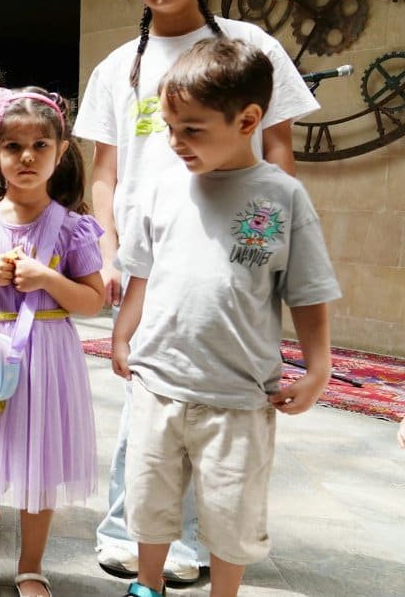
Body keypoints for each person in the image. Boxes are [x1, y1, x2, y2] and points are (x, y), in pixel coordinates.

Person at [72, 0, 320, 584]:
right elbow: (104, 169)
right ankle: (128, 530)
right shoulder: (116, 65)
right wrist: (109, 238)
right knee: (148, 391)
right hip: (150, 253)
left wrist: (268, 235)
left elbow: (279, 148)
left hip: (232, 254)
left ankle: (193, 543)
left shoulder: (249, 46)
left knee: (217, 396)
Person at [113, 38, 340, 597]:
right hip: (158, 383)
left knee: (231, 513)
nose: (175, 142)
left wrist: (318, 368)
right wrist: (123, 334)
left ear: (248, 120)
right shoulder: (164, 189)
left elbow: (307, 292)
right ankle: (147, 585)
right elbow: (141, 270)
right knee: (148, 499)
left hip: (238, 397)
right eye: (169, 126)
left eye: (192, 129)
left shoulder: (281, 198)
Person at [0, 87, 106, 597]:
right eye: (13, 147)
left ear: (61, 149)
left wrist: (48, 280)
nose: (27, 158)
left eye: (40, 147)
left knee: (39, 461)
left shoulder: (73, 229)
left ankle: (32, 567)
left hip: (46, 356)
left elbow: (93, 302)